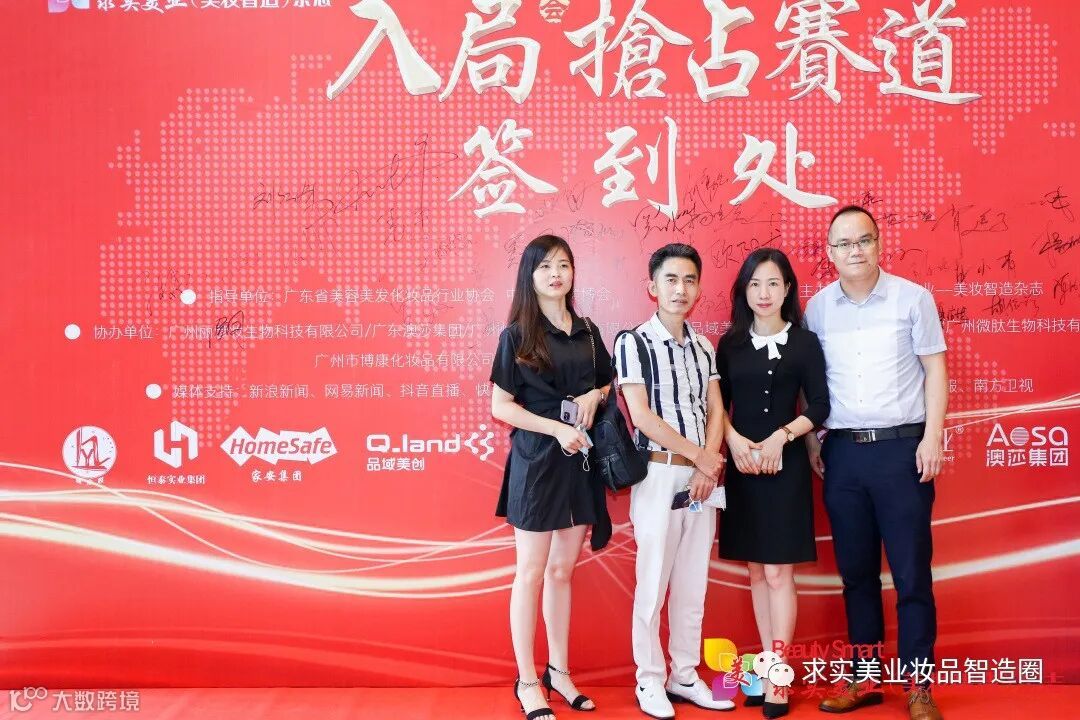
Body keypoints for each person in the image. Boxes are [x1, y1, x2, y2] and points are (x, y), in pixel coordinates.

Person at [804, 206, 947, 720]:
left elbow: (935, 371)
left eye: (863, 240)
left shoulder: (913, 299)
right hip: (843, 454)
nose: (855, 251)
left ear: (879, 243)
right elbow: (813, 385)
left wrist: (932, 437)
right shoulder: (818, 309)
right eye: (843, 244)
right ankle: (865, 679)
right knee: (857, 575)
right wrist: (813, 440)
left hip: (901, 451)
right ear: (830, 252)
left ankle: (919, 687)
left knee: (911, 575)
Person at [491, 235, 613, 720]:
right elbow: (502, 407)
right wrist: (556, 428)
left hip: (579, 462)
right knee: (531, 572)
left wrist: (594, 396)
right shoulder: (517, 335)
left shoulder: (587, 331)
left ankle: (559, 672)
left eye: (563, 265)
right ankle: (526, 680)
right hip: (538, 463)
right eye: (545, 267)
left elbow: (606, 382)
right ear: (530, 276)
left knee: (563, 572)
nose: (556, 274)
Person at [614, 243, 733, 718]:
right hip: (659, 474)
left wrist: (707, 465)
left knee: (692, 583)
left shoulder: (704, 347)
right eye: (671, 279)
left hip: (703, 479)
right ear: (652, 286)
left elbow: (716, 409)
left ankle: (684, 674)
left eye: (689, 280)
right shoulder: (634, 342)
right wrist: (702, 458)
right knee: (653, 581)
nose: (680, 289)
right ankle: (648, 679)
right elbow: (641, 416)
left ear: (699, 288)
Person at [716, 248, 830, 719]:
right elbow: (717, 406)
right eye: (754, 284)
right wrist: (734, 442)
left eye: (773, 283)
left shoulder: (804, 343)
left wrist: (783, 437)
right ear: (744, 291)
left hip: (786, 469)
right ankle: (765, 668)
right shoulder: (729, 344)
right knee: (757, 572)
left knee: (780, 573)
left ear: (787, 289)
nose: (763, 293)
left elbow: (820, 405)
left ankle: (780, 673)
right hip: (744, 467)